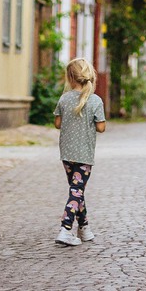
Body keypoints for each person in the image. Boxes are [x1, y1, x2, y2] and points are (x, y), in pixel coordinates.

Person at [53, 58, 106, 246]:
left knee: (77, 191)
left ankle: (84, 228)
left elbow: (57, 123)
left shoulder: (64, 98)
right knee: (77, 191)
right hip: (84, 154)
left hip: (66, 153)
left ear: (70, 77)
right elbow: (101, 127)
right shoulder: (95, 101)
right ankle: (66, 229)